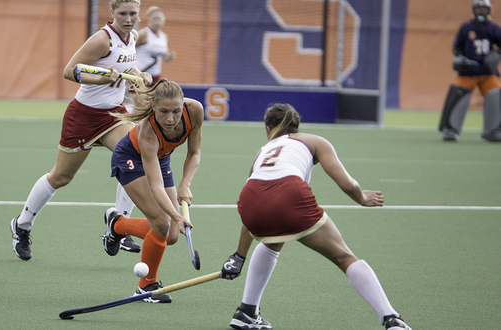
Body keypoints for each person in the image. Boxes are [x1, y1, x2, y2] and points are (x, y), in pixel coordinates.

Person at [219, 104, 412, 330]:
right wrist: (361, 198)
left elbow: (257, 200)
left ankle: (246, 312)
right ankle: (390, 318)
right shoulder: (314, 141)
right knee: (344, 256)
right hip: (289, 194)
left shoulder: (263, 151)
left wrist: (239, 256)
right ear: (297, 127)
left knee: (273, 241)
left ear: (268, 128)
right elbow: (347, 184)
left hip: (249, 199)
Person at [10, 0, 153, 261]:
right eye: (123, 13)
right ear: (112, 13)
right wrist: (101, 77)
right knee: (61, 177)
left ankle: (118, 226)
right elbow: (69, 71)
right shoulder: (101, 40)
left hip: (113, 114)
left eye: (133, 13)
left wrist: (139, 74)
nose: (129, 18)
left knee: (138, 153)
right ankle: (22, 225)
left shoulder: (132, 37)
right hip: (84, 116)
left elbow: (125, 67)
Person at [101, 79, 203, 303]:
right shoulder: (148, 131)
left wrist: (185, 183)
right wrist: (177, 216)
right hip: (130, 158)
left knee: (172, 235)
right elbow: (156, 185)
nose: (170, 119)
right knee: (163, 223)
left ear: (183, 106)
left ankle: (117, 225)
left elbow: (194, 153)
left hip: (161, 158)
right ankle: (146, 287)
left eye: (176, 111)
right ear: (154, 106)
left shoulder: (194, 110)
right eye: (164, 111)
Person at [439, 0, 501, 142]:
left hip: (487, 72)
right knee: (458, 98)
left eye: (483, 8)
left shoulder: (494, 28)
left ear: (488, 10)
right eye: (478, 8)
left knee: (496, 98)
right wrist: (460, 58)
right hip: (468, 71)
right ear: (474, 9)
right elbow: (457, 47)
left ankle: (493, 130)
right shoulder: (466, 27)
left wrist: (497, 54)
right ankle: (452, 129)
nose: (481, 11)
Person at [135, 6, 176, 86]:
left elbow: (163, 57)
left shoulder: (164, 37)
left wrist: (169, 57)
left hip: (155, 76)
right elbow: (129, 48)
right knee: (138, 97)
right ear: (149, 19)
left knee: (153, 98)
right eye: (154, 19)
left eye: (159, 19)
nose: (157, 21)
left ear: (164, 20)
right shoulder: (143, 34)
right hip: (141, 74)